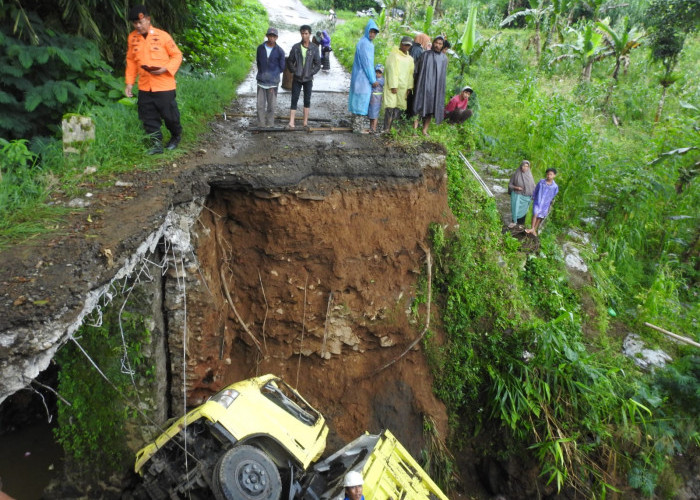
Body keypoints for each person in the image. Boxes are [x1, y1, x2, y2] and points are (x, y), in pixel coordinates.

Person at [125, 5, 183, 155]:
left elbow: (177, 55)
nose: (138, 26)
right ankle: (156, 144)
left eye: (140, 22)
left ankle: (176, 135)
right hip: (144, 85)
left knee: (170, 115)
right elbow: (131, 61)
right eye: (135, 23)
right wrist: (129, 83)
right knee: (148, 117)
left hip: (164, 84)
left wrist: (165, 69)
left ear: (148, 19)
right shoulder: (132, 38)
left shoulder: (162, 36)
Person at [348, 19, 380, 133]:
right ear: (367, 31)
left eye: (374, 32)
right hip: (363, 79)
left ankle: (355, 125)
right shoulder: (366, 44)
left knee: (357, 101)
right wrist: (373, 79)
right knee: (360, 103)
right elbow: (367, 64)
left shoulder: (365, 43)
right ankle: (357, 128)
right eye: (371, 31)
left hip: (360, 78)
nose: (372, 34)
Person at [412, 35, 448, 136]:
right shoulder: (425, 55)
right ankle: (414, 130)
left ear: (442, 45)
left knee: (431, 109)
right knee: (419, 106)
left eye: (440, 44)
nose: (437, 45)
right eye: (436, 42)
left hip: (435, 89)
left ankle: (424, 130)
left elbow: (442, 76)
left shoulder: (444, 59)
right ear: (433, 43)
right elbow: (417, 70)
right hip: (423, 86)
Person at [287, 25, 322, 128]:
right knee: (294, 98)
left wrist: (311, 72)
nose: (304, 35)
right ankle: (291, 121)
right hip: (297, 78)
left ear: (310, 34)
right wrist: (294, 71)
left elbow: (318, 64)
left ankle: (305, 122)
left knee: (307, 99)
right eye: (302, 33)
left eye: (306, 33)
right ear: (300, 34)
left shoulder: (314, 48)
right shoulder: (296, 47)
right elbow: (289, 61)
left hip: (308, 79)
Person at [383, 36, 415, 132]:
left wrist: (409, 87)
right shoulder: (394, 55)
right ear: (401, 44)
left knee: (399, 107)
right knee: (390, 106)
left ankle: (393, 129)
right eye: (405, 44)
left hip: (403, 86)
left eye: (408, 45)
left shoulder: (410, 59)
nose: (406, 47)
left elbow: (410, 74)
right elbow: (391, 71)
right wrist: (393, 85)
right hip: (393, 86)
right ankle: (386, 128)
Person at [256, 27, 286, 127]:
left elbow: (282, 67)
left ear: (276, 37)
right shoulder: (260, 48)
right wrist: (262, 73)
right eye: (270, 36)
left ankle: (270, 124)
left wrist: (273, 74)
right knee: (260, 105)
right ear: (267, 36)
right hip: (261, 81)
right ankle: (261, 124)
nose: (271, 38)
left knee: (271, 106)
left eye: (274, 36)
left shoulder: (280, 51)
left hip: (273, 83)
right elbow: (258, 62)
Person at [527, 168, 559, 235]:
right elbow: (536, 189)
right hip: (538, 201)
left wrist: (549, 200)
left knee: (540, 216)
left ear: (554, 175)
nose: (549, 176)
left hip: (545, 204)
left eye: (551, 174)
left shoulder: (555, 186)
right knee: (535, 213)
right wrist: (534, 196)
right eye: (547, 174)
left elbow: (554, 194)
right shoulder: (541, 182)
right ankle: (532, 228)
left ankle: (534, 229)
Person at [406, 33, 430, 124]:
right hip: (413, 77)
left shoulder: (414, 48)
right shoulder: (417, 49)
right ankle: (408, 117)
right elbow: (413, 64)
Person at [507, 160, 535, 227]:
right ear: (521, 166)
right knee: (515, 208)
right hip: (517, 195)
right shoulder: (515, 174)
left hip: (526, 197)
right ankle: (514, 222)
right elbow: (510, 185)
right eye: (524, 166)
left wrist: (534, 194)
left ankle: (521, 224)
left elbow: (533, 186)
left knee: (524, 210)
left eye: (527, 166)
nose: (525, 168)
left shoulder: (530, 175)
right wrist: (517, 188)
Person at [368, 64, 384, 133]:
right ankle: (371, 127)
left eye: (379, 73)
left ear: (382, 73)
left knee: (375, 114)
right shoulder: (374, 79)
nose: (377, 74)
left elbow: (374, 84)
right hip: (372, 98)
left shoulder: (381, 80)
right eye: (376, 72)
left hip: (377, 99)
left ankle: (374, 128)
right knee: (371, 113)